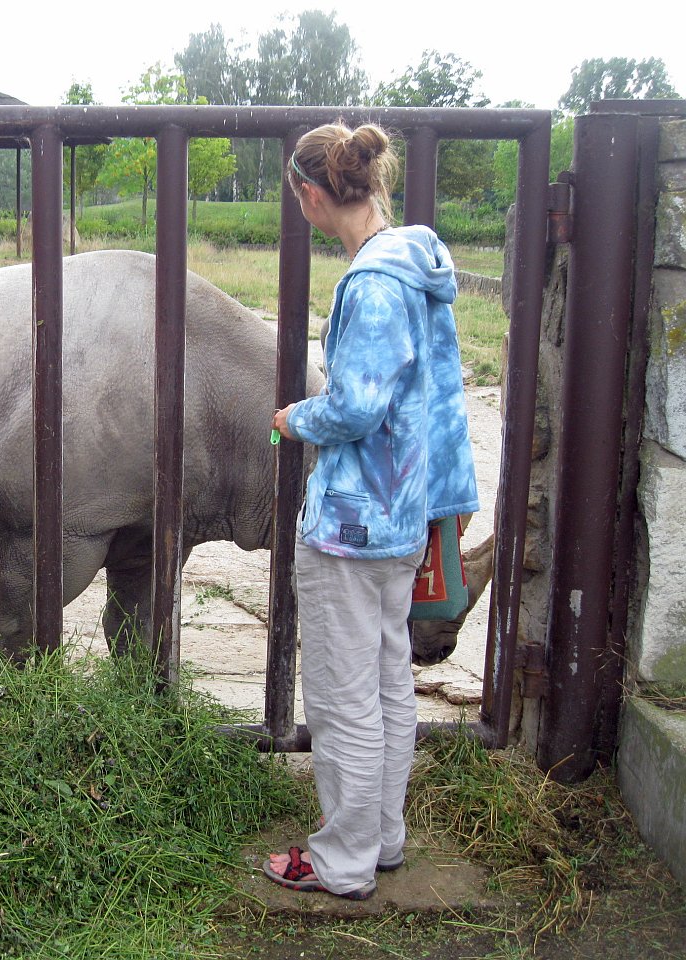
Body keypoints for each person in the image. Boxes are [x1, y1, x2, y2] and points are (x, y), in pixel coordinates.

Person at [266, 123, 479, 898]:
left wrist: (295, 418)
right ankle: (381, 839)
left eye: (298, 197)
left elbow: (354, 408)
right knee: (388, 686)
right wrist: (451, 502)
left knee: (341, 698)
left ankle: (342, 861)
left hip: (352, 525)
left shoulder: (372, 283)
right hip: (403, 519)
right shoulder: (418, 266)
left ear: (311, 194)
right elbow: (445, 400)